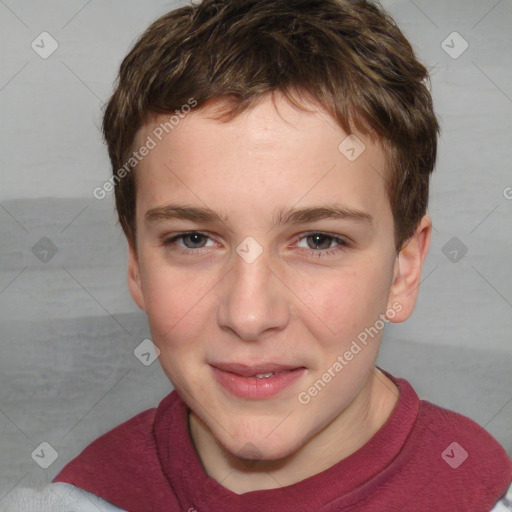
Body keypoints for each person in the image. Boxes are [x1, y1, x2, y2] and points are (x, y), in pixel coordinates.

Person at [2, 0, 511, 510]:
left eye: (318, 240)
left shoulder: (480, 493)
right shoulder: (74, 503)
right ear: (136, 262)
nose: (249, 316)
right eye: (193, 239)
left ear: (404, 270)